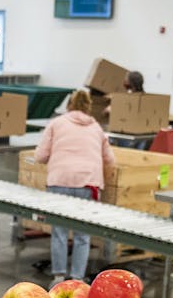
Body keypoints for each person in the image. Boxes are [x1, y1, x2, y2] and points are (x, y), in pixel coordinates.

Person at [33, 88, 116, 286]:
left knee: (59, 232)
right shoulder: (96, 127)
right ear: (89, 106)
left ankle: (59, 278)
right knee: (82, 234)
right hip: (88, 183)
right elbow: (110, 159)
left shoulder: (57, 123)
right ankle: (78, 280)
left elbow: (40, 157)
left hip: (59, 181)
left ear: (69, 104)